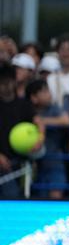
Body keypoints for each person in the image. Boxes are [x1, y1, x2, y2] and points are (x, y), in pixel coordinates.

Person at [0, 62, 40, 198]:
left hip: (20, 161)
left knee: (17, 197)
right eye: (2, 83)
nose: (5, 86)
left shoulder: (24, 105)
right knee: (10, 195)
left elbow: (39, 124)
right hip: (2, 161)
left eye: (8, 82)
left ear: (14, 82)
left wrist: (40, 139)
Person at [27, 78, 69, 199]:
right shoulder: (26, 110)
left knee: (56, 195)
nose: (49, 94)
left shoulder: (53, 108)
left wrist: (42, 122)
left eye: (48, 91)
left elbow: (66, 120)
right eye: (44, 92)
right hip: (33, 163)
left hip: (54, 161)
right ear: (34, 98)